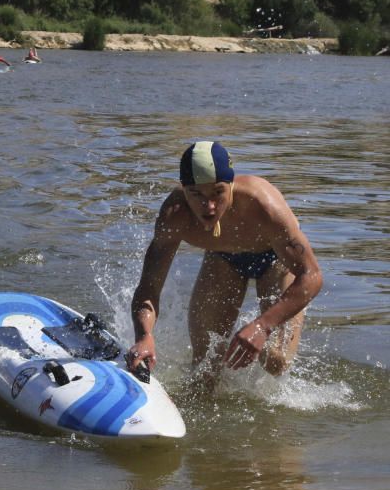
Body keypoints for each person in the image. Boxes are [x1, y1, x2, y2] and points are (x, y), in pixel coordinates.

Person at [126, 141, 323, 391]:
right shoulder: (174, 216)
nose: (208, 206)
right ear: (184, 189)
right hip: (222, 259)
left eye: (218, 192)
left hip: (276, 260)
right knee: (205, 368)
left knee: (276, 361)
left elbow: (312, 275)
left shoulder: (264, 206)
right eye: (196, 194)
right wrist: (144, 337)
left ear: (231, 184)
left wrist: (261, 326)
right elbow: (148, 289)